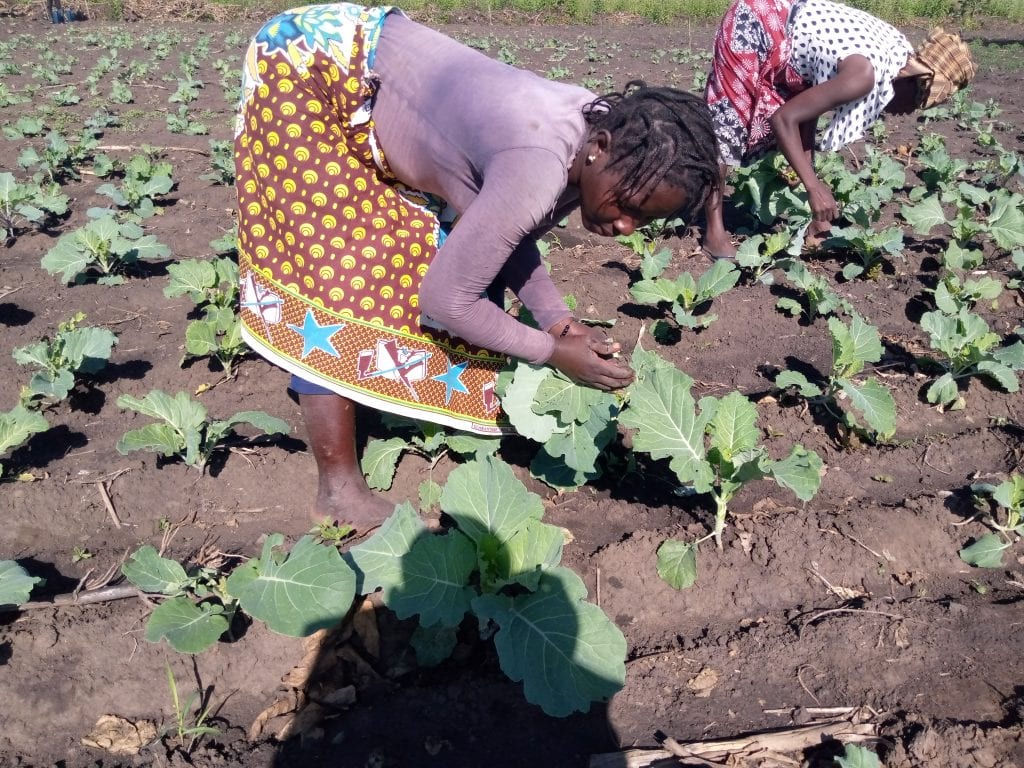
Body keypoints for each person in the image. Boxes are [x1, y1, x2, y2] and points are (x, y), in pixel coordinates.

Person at [234, 3, 720, 532]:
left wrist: (559, 320)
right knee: (339, 276)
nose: (627, 227)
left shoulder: (595, 133)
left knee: (406, 253)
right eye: (629, 205)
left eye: (643, 221)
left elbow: (510, 234)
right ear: (600, 150)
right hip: (309, 67)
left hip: (363, 62)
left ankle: (352, 397)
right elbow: (446, 302)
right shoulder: (538, 163)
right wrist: (553, 351)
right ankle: (337, 492)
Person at [700, 0, 976, 259]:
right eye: (917, 101)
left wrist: (817, 215)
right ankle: (713, 231)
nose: (910, 111)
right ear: (912, 80)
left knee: (794, 128)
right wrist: (813, 187)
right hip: (758, 21)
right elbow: (784, 120)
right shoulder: (862, 77)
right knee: (726, 127)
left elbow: (806, 118)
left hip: (790, 35)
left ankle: (814, 224)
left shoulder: (898, 54)